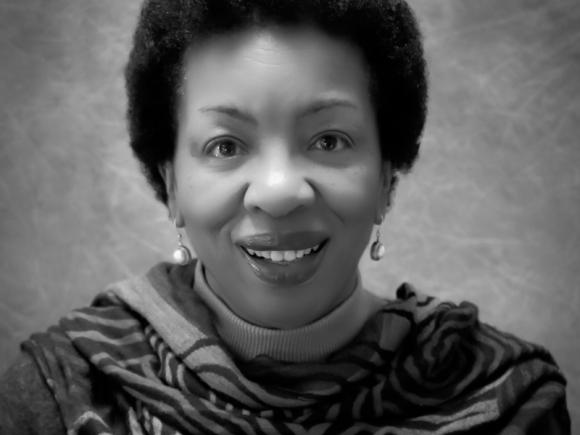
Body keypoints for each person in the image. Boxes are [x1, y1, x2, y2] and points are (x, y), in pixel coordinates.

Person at [0, 0, 570, 433]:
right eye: (225, 146)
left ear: (387, 179)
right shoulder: (60, 393)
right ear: (171, 184)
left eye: (328, 139)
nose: (277, 192)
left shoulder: (510, 401)